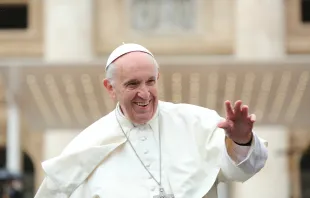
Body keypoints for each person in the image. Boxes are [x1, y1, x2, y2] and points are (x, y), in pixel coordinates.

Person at [34, 43, 268, 198]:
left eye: (150, 81)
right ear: (110, 88)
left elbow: (245, 170)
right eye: (132, 84)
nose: (144, 93)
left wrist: (241, 141)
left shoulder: (197, 121)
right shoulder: (86, 144)